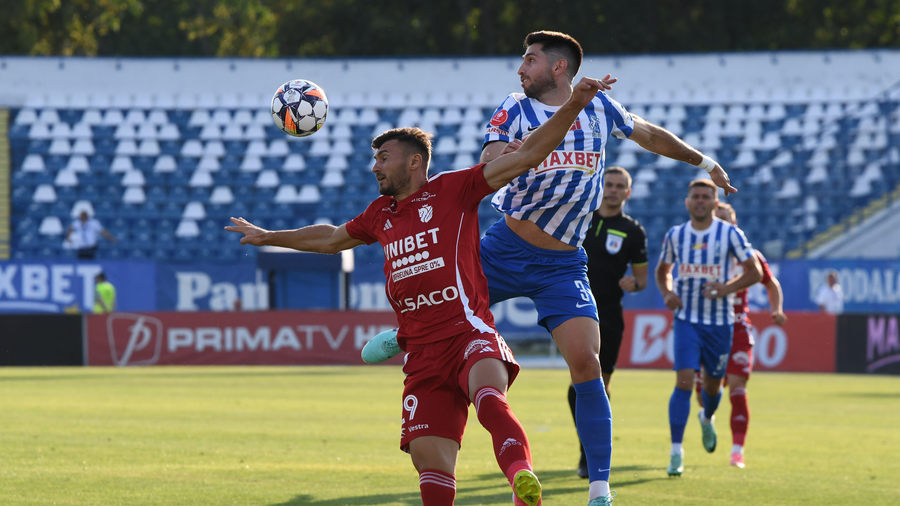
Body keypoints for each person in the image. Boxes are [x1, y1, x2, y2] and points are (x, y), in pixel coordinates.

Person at [364, 30, 737, 505]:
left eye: (530, 59)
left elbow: (648, 135)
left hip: (562, 264)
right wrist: (541, 137)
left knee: (587, 361)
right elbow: (493, 159)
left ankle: (599, 486)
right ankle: (405, 335)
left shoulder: (601, 108)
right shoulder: (514, 108)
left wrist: (703, 160)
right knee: (442, 291)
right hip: (505, 246)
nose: (521, 68)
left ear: (559, 67)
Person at [226, 75, 611, 506]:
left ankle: (522, 481)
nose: (375, 167)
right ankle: (402, 348)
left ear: (413, 163)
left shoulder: (455, 189)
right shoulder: (379, 214)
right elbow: (331, 239)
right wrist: (269, 235)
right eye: (374, 159)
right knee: (430, 460)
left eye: (383, 158)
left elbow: (531, 154)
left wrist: (575, 103)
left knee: (488, 397)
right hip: (422, 352)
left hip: (468, 332)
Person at [655, 179, 761, 477]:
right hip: (687, 320)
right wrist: (667, 293)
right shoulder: (676, 235)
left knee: (713, 388)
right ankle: (676, 452)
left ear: (715, 203)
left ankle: (707, 416)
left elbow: (754, 272)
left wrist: (727, 288)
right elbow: (663, 270)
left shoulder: (730, 234)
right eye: (695, 197)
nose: (700, 201)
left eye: (706, 197)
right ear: (687, 201)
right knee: (684, 381)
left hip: (720, 324)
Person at [693, 202, 787, 469]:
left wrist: (776, 308)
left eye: (728, 220)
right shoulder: (700, 253)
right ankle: (707, 417)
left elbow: (771, 284)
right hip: (708, 327)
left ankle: (737, 451)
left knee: (737, 388)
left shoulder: (751, 256)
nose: (724, 225)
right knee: (704, 394)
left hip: (737, 327)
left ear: (735, 224)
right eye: (718, 220)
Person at [568, 166, 647, 479]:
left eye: (620, 186)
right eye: (609, 184)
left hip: (609, 315)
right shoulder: (582, 218)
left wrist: (634, 284)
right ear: (602, 187)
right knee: (579, 386)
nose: (613, 190)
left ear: (627, 192)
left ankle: (591, 453)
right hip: (574, 309)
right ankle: (589, 452)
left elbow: (641, 279)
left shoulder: (633, 231)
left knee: (595, 384)